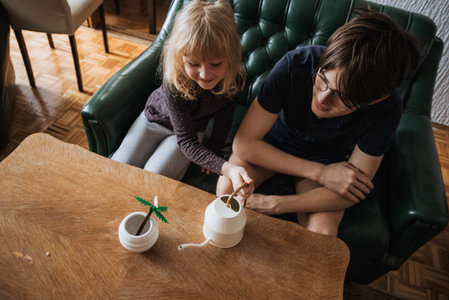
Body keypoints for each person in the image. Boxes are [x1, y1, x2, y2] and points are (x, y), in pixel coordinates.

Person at [216, 10, 420, 236]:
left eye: (343, 97)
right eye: (323, 78)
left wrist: (277, 204)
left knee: (321, 235)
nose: (322, 98)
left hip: (329, 157)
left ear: (375, 99)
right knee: (227, 192)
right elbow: (244, 145)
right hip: (271, 145)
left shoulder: (387, 108)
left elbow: (351, 187)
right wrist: (321, 173)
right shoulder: (297, 63)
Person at [112, 0, 253, 198]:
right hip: (153, 121)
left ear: (231, 55)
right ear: (181, 58)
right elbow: (187, 141)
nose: (205, 74)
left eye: (216, 63)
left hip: (191, 132)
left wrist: (213, 152)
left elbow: (222, 119)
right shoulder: (175, 79)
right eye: (194, 63)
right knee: (117, 168)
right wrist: (226, 167)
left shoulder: (234, 80)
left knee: (154, 180)